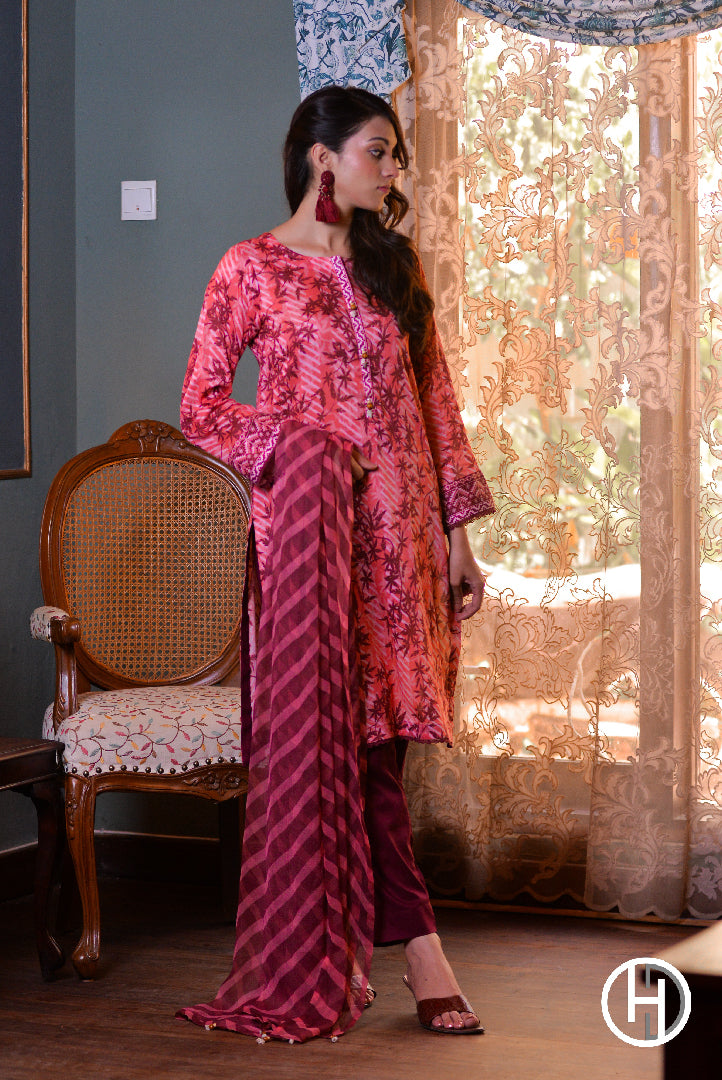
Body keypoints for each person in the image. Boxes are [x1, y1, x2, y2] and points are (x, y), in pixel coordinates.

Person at [176, 85, 495, 1043]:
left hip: (403, 534)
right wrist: (300, 444)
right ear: (323, 158)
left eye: (394, 155)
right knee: (346, 739)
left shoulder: (394, 265)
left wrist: (459, 533)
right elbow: (200, 406)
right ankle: (419, 950)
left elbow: (434, 402)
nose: (391, 170)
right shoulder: (251, 268)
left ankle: (370, 941)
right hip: (310, 538)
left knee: (383, 738)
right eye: (376, 151)